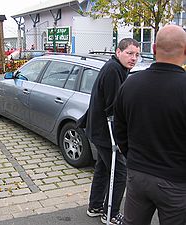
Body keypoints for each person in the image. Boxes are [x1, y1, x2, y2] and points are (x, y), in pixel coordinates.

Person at [113, 25, 186, 225]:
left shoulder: (130, 83)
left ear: (153, 49)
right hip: (176, 181)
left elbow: (119, 128)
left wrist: (132, 156)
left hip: (138, 175)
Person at [85, 38, 140, 225]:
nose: (133, 58)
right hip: (105, 133)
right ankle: (110, 213)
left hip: (98, 131)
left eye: (137, 55)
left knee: (102, 168)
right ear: (118, 52)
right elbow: (113, 108)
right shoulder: (113, 70)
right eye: (129, 53)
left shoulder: (117, 68)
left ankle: (95, 206)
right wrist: (120, 139)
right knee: (120, 172)